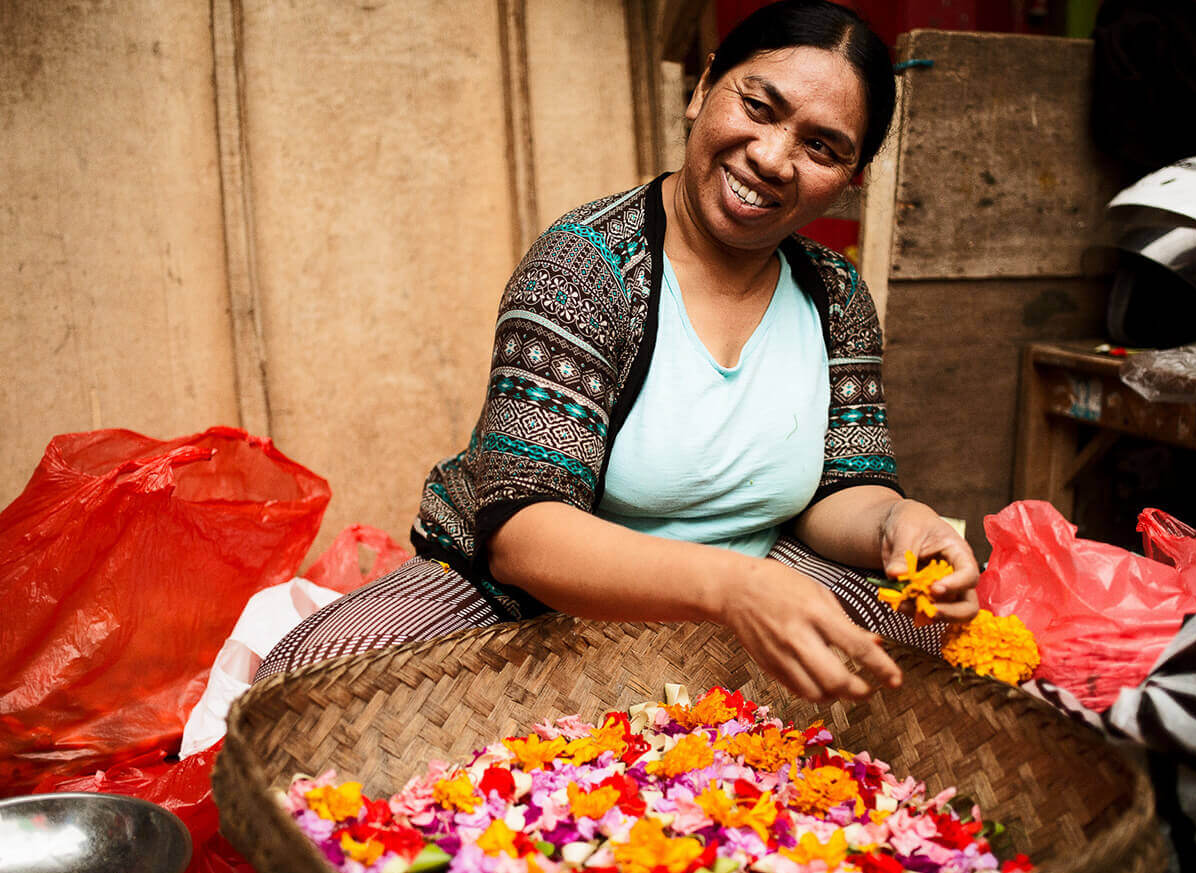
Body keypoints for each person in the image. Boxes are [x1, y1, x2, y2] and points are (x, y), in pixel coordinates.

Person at [256, 0, 979, 702]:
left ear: (849, 178)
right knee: (307, 681)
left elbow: (840, 488)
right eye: (758, 108)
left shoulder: (834, 295)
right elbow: (522, 534)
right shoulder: (586, 268)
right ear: (702, 90)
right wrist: (731, 589)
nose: (771, 157)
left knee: (915, 636)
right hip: (538, 602)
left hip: (755, 577)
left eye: (821, 147)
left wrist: (895, 522)